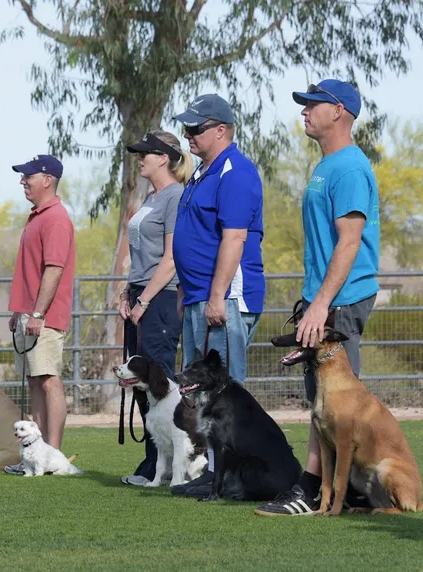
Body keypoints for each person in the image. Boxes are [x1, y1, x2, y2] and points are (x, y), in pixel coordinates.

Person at [255, 80, 379, 516]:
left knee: (334, 400)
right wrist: (312, 299)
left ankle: (313, 490)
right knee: (321, 399)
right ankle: (345, 490)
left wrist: (322, 304)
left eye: (313, 104)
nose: (304, 111)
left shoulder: (348, 168)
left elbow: (348, 243)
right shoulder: (328, 165)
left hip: (341, 299)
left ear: (339, 111)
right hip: (325, 297)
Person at [169, 94, 265, 498]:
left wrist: (216, 294)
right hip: (200, 296)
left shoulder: (236, 173)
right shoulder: (202, 173)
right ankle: (215, 471)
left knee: (228, 392)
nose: (188, 135)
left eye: (196, 128)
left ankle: (237, 476)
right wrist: (186, 291)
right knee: (203, 393)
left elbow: (235, 237)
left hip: (223, 299)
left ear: (221, 130)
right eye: (186, 128)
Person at [118, 130, 194, 487]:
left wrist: (145, 299)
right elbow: (138, 257)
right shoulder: (152, 196)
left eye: (145, 152)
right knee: (139, 381)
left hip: (159, 299)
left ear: (164, 157)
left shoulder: (176, 196)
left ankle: (165, 467)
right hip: (139, 295)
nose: (140, 158)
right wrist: (127, 293)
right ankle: (154, 464)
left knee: (160, 382)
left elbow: (172, 258)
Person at [4, 154, 76, 475]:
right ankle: (36, 455)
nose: (23, 181)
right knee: (35, 381)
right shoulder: (37, 216)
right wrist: (20, 310)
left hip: (43, 316)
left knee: (48, 381)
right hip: (29, 315)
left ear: (47, 179)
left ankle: (54, 456)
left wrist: (37, 312)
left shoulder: (56, 218)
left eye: (28, 176)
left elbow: (54, 269)